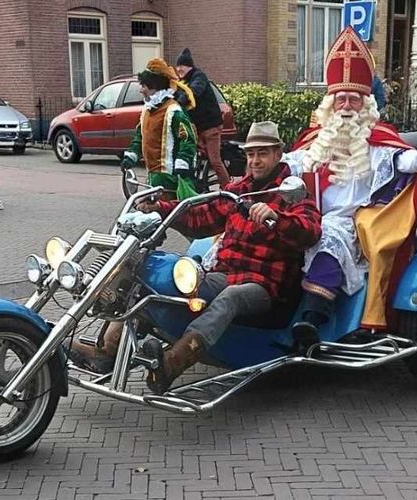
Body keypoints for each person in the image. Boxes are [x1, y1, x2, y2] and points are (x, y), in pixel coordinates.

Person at [69, 121, 322, 393]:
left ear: (278, 153)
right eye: (251, 154)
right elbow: (200, 215)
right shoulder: (238, 191)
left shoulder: (291, 194)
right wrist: (160, 208)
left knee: (231, 297)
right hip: (224, 274)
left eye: (263, 153)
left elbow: (310, 231)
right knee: (152, 285)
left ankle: (172, 364)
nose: (255, 160)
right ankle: (106, 351)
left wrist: (277, 217)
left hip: (264, 287)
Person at [283, 27, 417, 338]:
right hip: (311, 215)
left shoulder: (376, 139)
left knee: (330, 236)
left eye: (354, 100)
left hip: (355, 222)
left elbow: (395, 159)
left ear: (365, 106)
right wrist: (264, 161)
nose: (346, 106)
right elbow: (292, 163)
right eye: (341, 99)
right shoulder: (316, 141)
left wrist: (416, 159)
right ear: (330, 105)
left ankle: (312, 318)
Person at [124, 57, 199, 200]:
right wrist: (131, 156)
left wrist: (182, 162)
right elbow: (140, 136)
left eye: (144, 86)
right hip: (153, 177)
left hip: (171, 179)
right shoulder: (147, 111)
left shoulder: (173, 111)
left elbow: (188, 139)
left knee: (166, 211)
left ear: (154, 86)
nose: (141, 90)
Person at [174, 48, 229, 188]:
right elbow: (175, 94)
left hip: (210, 126)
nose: (179, 69)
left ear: (189, 66)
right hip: (196, 128)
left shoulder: (199, 77)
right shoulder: (182, 82)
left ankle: (228, 188)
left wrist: (184, 99)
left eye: (182, 66)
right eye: (177, 66)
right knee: (188, 153)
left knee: (215, 160)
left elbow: (195, 90)